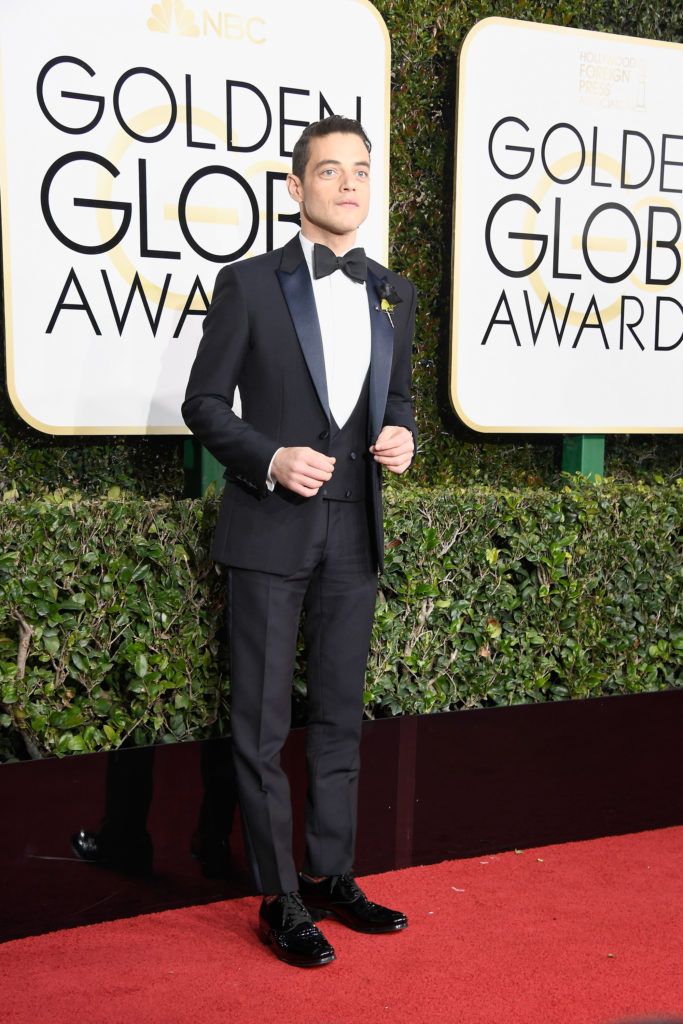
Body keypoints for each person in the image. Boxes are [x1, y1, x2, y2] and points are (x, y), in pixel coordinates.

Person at [182, 114, 417, 967]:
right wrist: (270, 456)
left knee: (339, 721)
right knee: (258, 723)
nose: (349, 184)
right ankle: (278, 897)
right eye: (329, 171)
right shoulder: (248, 284)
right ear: (295, 187)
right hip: (269, 530)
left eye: (360, 170)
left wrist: (404, 436)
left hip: (355, 531)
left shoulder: (394, 290)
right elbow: (203, 404)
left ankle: (330, 873)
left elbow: (397, 402)